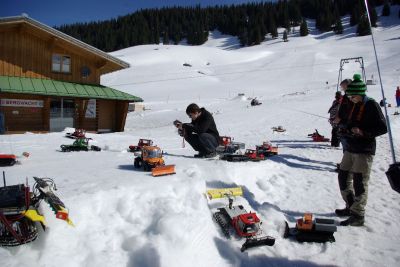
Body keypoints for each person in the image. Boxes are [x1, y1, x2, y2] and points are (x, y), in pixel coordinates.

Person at [335, 74, 387, 226]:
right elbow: (351, 122)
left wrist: (363, 132)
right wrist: (345, 128)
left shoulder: (371, 105)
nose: (350, 98)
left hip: (364, 150)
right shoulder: (355, 104)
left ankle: (358, 215)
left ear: (359, 94)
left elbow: (382, 128)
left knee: (359, 182)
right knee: (343, 177)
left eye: (352, 96)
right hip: (351, 147)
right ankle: (350, 206)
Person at [334, 78, 353, 151]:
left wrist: (341, 118)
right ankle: (346, 161)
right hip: (342, 124)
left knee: (348, 145)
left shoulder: (351, 97)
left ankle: (348, 161)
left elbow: (351, 111)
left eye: (343, 86)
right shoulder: (345, 96)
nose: (342, 88)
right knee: (345, 144)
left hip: (347, 124)